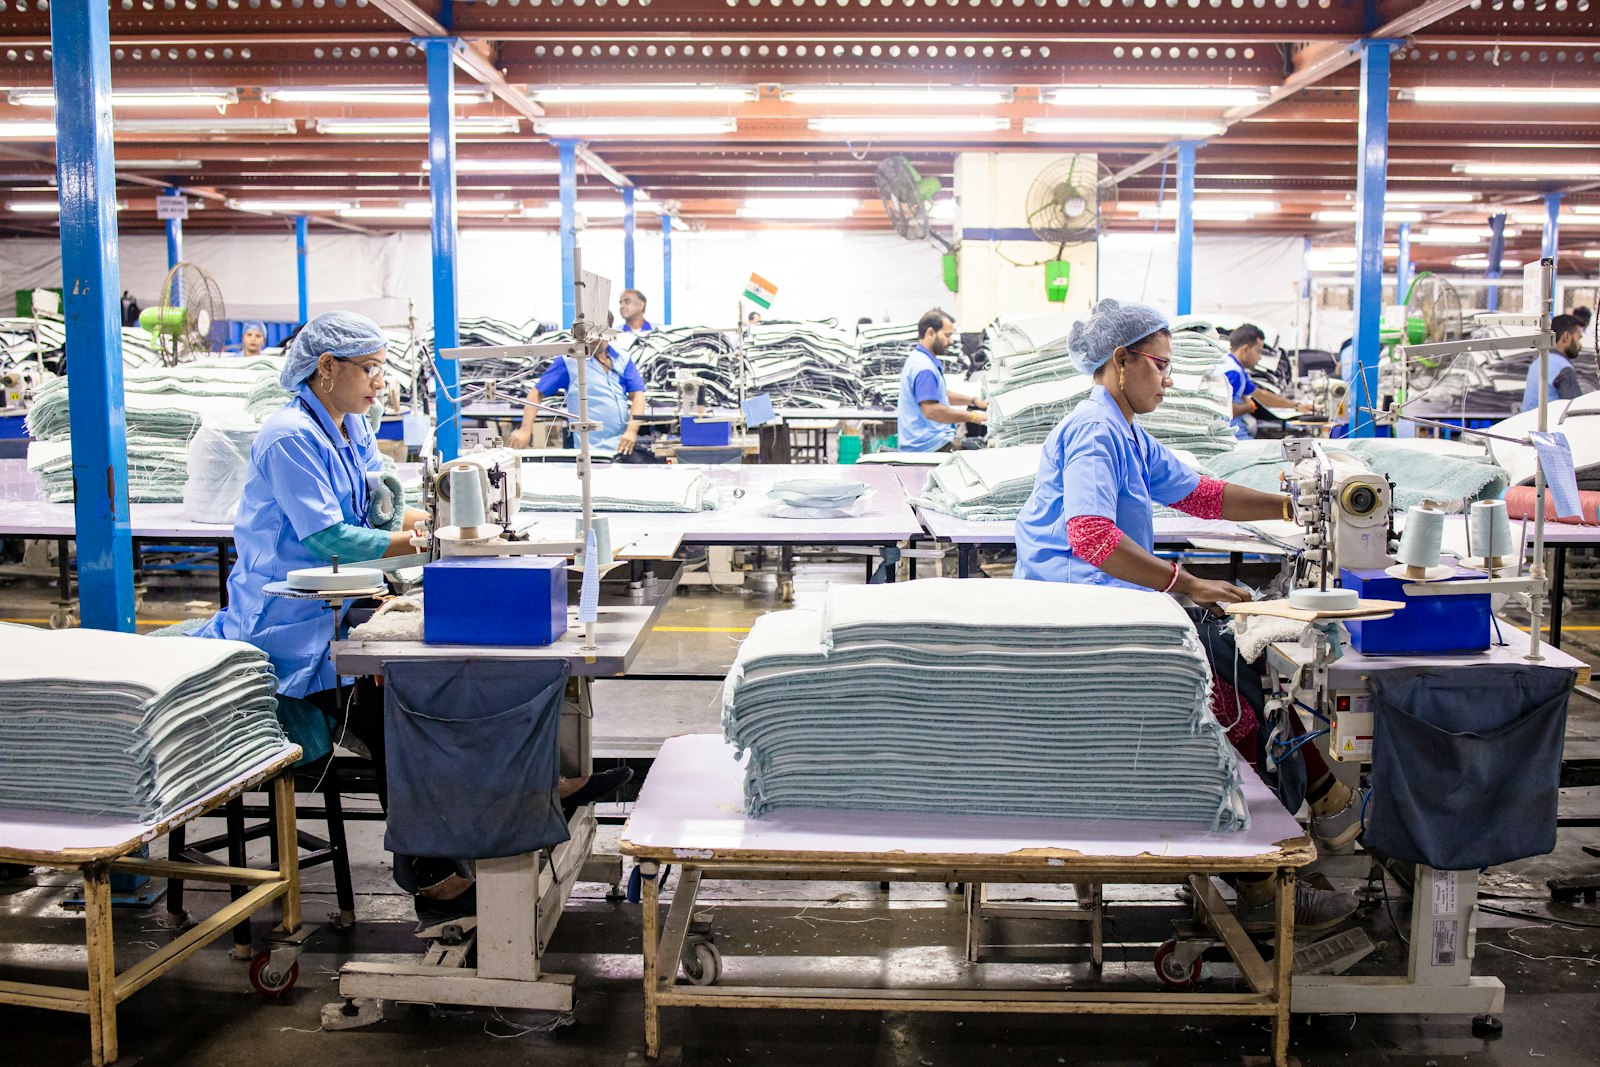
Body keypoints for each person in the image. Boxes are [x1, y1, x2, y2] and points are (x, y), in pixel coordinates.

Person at [194, 311, 627, 923]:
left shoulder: (350, 426)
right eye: (370, 369)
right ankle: (431, 871)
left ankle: (529, 787)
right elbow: (326, 537)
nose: (380, 382)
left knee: (460, 670)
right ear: (327, 368)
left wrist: (438, 519)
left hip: (347, 595)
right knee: (406, 701)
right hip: (291, 617)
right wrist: (428, 542)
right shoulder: (289, 436)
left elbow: (377, 510)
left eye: (382, 368)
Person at [1013, 298, 1363, 934]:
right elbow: (1091, 538)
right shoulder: (1095, 431)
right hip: (1079, 620)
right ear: (1121, 360)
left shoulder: (1125, 430)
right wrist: (1189, 583)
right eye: (1160, 366)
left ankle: (1319, 804)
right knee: (1229, 711)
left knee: (1240, 664)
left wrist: (1294, 506)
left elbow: (1200, 494)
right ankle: (1263, 880)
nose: (1168, 381)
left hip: (1113, 605)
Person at [506, 342, 650, 459]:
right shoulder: (570, 361)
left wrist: (631, 431)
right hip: (591, 449)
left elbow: (638, 395)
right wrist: (525, 429)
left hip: (623, 444)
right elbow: (536, 393)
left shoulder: (622, 358)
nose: (593, 338)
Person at [896, 307, 986, 452]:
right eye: (947, 335)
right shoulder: (924, 368)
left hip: (926, 443)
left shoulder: (919, 359)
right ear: (931, 333)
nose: (950, 341)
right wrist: (974, 417)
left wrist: (973, 401)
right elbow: (931, 410)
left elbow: (938, 394)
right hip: (929, 447)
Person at [1223, 324, 1310, 438]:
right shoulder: (1233, 373)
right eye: (1258, 351)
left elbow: (1260, 395)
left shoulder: (1234, 367)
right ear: (1246, 349)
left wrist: (1296, 406)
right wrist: (1248, 407)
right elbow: (1224, 410)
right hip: (1235, 437)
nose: (1260, 357)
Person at [1521, 314, 1584, 411]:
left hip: (1529, 419)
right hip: (1550, 420)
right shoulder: (1564, 369)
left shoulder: (1538, 363)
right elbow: (1576, 410)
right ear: (1566, 337)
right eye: (1578, 339)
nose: (1580, 346)